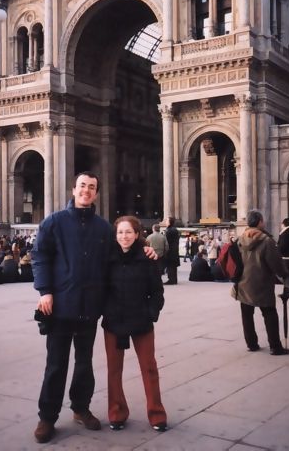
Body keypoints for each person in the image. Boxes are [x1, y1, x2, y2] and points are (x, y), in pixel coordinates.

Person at [31, 172, 156, 443]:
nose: (86, 191)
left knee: (84, 362)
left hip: (90, 307)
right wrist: (45, 291)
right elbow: (39, 256)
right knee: (55, 364)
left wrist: (146, 249)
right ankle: (47, 417)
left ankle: (80, 408)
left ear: (96, 193)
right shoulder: (54, 222)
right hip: (60, 305)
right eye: (82, 186)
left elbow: (124, 248)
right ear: (73, 189)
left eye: (92, 187)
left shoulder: (103, 228)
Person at [102, 216, 167, 432]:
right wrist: (106, 310)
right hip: (114, 320)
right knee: (113, 370)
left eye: (129, 232)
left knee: (149, 367)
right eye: (120, 232)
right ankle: (117, 412)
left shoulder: (147, 258)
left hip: (141, 320)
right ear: (115, 235)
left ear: (137, 234)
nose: (124, 236)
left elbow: (157, 291)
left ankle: (156, 413)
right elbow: (101, 288)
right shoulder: (107, 258)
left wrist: (151, 313)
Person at [233, 209, 289, 355]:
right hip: (262, 282)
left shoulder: (240, 239)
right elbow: (276, 263)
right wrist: (285, 275)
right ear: (259, 222)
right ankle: (275, 346)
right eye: (263, 220)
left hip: (243, 282)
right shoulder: (266, 241)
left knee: (246, 314)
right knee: (270, 314)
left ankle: (252, 344)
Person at [164, 216, 180, 285]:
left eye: (167, 221)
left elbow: (166, 242)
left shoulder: (169, 230)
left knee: (170, 266)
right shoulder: (175, 229)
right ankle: (174, 279)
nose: (165, 222)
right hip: (175, 250)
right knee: (173, 267)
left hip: (170, 251)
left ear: (170, 222)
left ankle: (171, 280)